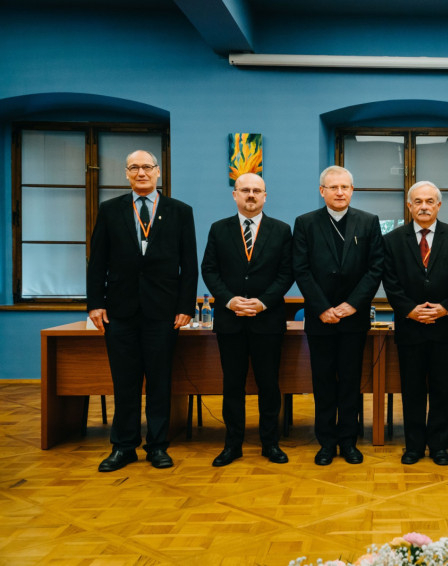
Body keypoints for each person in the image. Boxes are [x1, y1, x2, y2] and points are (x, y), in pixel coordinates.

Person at [87, 150, 198, 472]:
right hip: (119, 311)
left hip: (163, 311)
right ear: (126, 174)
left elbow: (189, 264)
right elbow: (97, 261)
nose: (141, 173)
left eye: (147, 167)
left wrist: (185, 306)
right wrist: (95, 303)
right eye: (134, 168)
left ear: (158, 171)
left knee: (160, 381)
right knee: (125, 382)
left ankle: (158, 446)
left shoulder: (180, 211)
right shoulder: (110, 210)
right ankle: (123, 447)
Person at [201, 173, 294, 467]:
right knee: (232, 385)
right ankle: (232, 445)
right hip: (230, 320)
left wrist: (263, 302)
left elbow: (287, 273)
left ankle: (270, 443)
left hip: (268, 320)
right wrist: (230, 300)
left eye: (256, 190)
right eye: (245, 190)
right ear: (235, 195)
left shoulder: (282, 230)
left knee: (269, 385)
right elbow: (209, 270)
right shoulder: (219, 229)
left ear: (265, 196)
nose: (251, 195)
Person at [293, 165, 384, 466]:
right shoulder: (305, 223)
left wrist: (352, 304)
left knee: (350, 381)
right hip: (320, 318)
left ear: (352, 190)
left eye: (345, 187)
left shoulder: (368, 222)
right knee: (322, 382)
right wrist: (322, 308)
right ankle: (326, 443)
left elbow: (375, 268)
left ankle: (348, 441)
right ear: (322, 191)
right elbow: (301, 269)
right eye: (333, 187)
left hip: (353, 318)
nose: (340, 192)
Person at [383, 181, 448, 466]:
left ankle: (439, 446)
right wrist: (410, 310)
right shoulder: (392, 240)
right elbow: (390, 281)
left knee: (443, 389)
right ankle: (414, 446)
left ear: (439, 205)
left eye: (430, 201)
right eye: (418, 201)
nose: (424, 206)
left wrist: (445, 308)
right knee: (412, 390)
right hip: (410, 328)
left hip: (445, 328)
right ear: (409, 206)